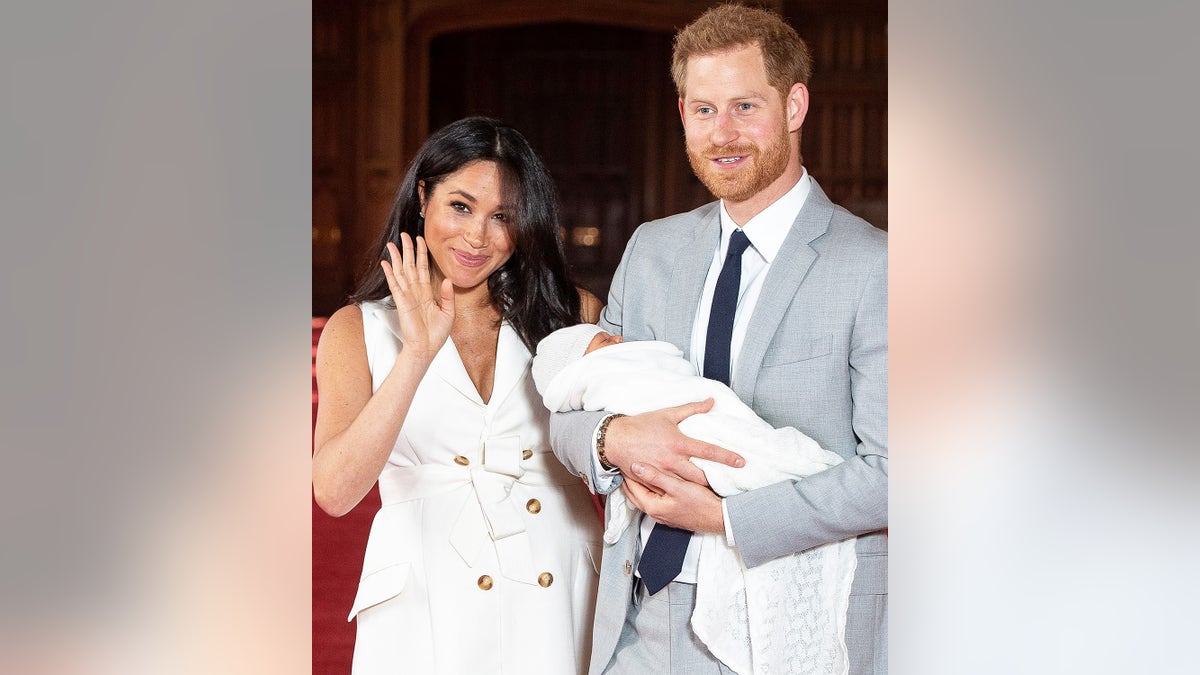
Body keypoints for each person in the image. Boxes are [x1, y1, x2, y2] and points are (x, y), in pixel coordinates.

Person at [548, 4, 888, 674]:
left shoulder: (875, 266)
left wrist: (726, 518)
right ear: (682, 116)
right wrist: (613, 437)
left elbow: (896, 474)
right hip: (640, 616)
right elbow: (570, 412)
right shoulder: (652, 249)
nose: (722, 133)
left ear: (794, 106)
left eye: (744, 106)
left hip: (788, 620)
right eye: (703, 110)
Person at [313, 116, 604, 674]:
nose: (478, 237)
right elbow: (336, 490)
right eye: (461, 207)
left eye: (503, 218)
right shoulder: (357, 329)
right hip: (423, 603)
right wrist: (417, 354)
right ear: (423, 197)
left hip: (557, 587)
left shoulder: (575, 315)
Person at [532, 323, 857, 674]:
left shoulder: (870, 275)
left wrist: (724, 516)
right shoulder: (640, 270)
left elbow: (887, 475)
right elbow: (566, 419)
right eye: (608, 341)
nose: (620, 341)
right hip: (639, 606)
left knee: (754, 453)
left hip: (753, 588)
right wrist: (615, 437)